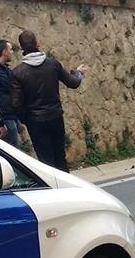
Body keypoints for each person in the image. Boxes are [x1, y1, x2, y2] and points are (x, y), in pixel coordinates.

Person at [10, 30, 86, 172]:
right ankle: (66, 188)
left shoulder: (17, 72)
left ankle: (52, 189)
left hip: (35, 121)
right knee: (60, 156)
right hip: (56, 116)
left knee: (45, 161)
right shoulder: (53, 65)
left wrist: (27, 119)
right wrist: (78, 73)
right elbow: (73, 83)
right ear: (37, 43)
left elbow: (16, 104)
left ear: (21, 48)